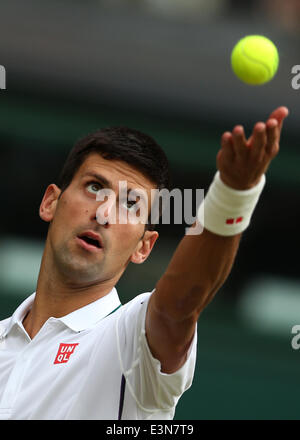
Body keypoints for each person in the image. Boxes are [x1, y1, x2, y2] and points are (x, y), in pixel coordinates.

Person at [0, 106, 289, 420]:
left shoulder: (129, 340)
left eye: (130, 204)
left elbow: (175, 307)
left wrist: (233, 194)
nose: (103, 214)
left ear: (143, 247)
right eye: (94, 187)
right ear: (50, 202)